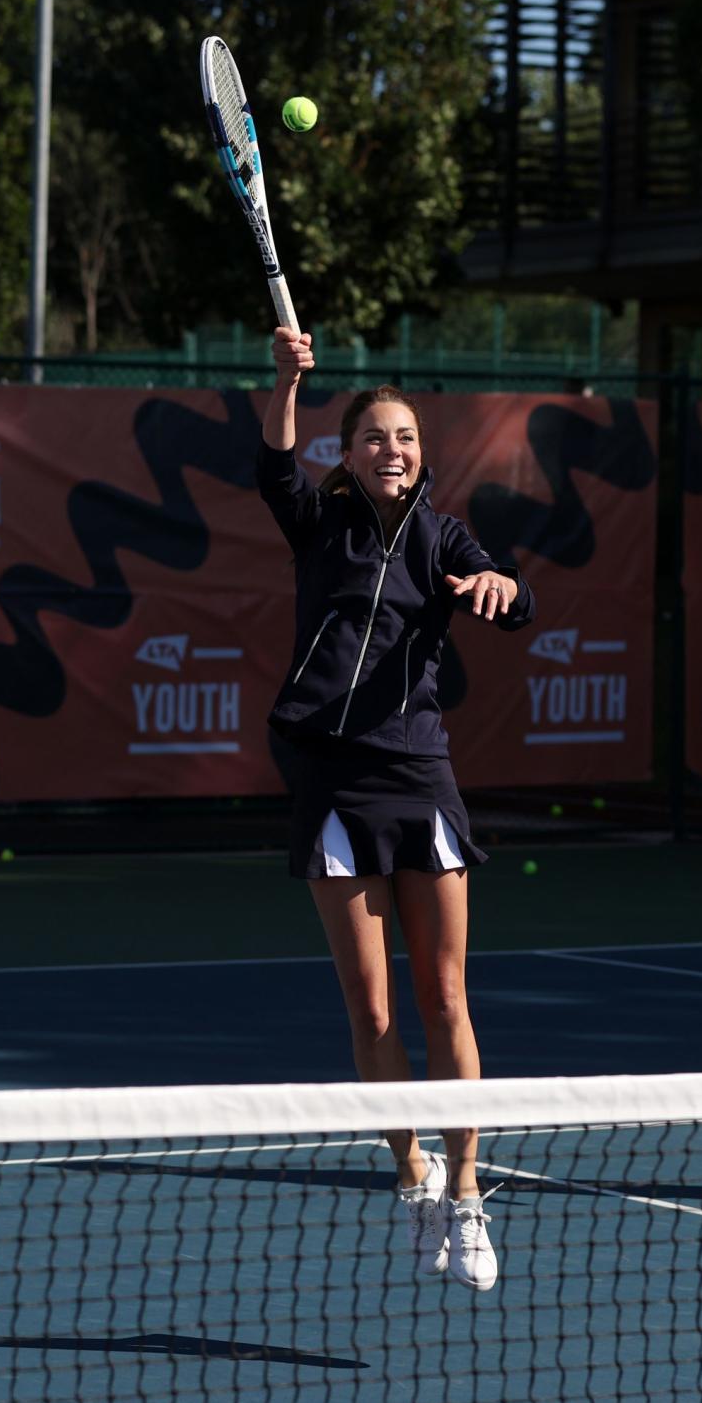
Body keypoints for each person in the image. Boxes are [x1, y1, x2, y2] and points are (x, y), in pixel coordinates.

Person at [257, 326, 536, 1292]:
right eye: (376, 435)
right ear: (349, 451)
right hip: (333, 782)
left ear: (423, 451)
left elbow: (514, 587)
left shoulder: (442, 533)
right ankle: (410, 1174)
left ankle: (464, 1193)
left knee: (445, 996)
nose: (394, 448)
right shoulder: (318, 523)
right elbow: (273, 464)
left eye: (407, 436)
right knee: (371, 1004)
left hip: (419, 779)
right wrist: (289, 382)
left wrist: (503, 583)